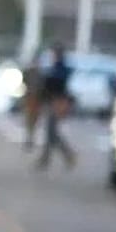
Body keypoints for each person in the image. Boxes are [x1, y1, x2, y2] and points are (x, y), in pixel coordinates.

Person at [34, 39, 76, 170]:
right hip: (52, 101)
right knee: (50, 132)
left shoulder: (61, 68)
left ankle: (66, 155)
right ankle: (47, 159)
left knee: (51, 132)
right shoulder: (55, 67)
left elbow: (55, 84)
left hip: (57, 102)